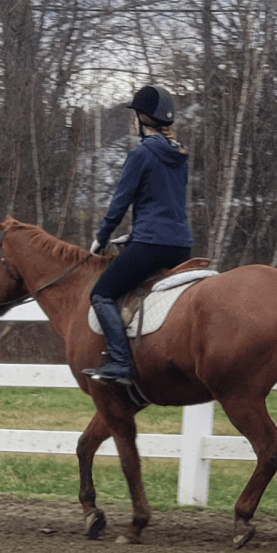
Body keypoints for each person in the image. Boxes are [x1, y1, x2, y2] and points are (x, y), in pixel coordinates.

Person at [86, 84, 193, 386]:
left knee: (101, 293)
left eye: (135, 114)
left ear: (143, 118)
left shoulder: (142, 154)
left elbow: (121, 201)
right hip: (181, 246)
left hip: (152, 245)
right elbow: (164, 203)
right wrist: (132, 237)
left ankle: (121, 362)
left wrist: (102, 236)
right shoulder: (180, 155)